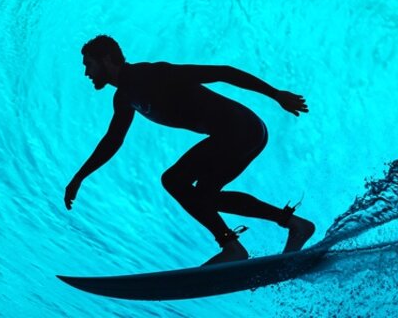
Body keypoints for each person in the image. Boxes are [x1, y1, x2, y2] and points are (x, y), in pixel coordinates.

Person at [65, 35, 316, 265]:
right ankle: (295, 225)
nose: (86, 72)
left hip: (240, 128)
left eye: (89, 64)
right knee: (204, 197)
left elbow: (223, 72)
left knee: (174, 180)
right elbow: (112, 140)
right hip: (243, 133)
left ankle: (232, 247)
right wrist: (79, 177)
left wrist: (275, 94)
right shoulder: (124, 98)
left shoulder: (150, 74)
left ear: (106, 58)